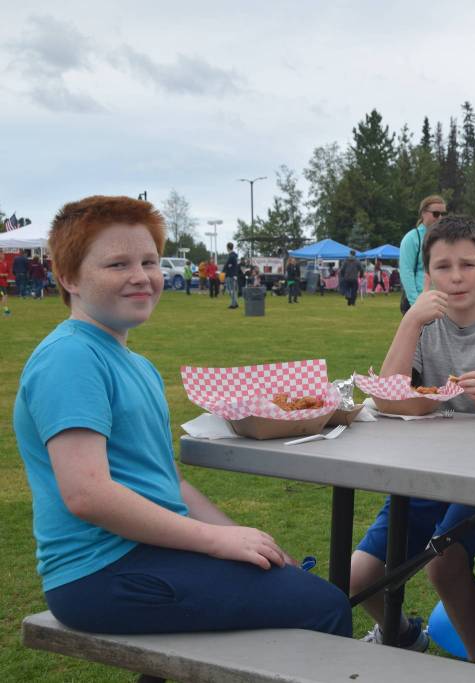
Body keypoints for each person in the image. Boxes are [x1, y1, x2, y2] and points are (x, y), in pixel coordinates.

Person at [13, 195, 351, 638]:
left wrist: (241, 538)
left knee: (300, 590)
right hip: (99, 574)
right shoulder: (72, 358)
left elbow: (169, 481)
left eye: (149, 262)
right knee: (322, 608)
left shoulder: (136, 365)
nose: (140, 277)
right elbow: (87, 495)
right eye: (117, 265)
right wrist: (216, 541)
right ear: (68, 277)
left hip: (149, 551)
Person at [351, 215, 475, 664]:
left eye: (468, 265)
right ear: (427, 273)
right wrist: (409, 322)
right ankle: (401, 634)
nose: (456, 277)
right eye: (443, 266)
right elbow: (388, 395)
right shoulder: (424, 326)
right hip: (424, 478)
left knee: (445, 563)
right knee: (357, 578)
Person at [399, 195, 446, 314]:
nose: (440, 217)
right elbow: (406, 272)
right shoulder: (412, 239)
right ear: (424, 213)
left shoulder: (444, 238)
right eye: (436, 214)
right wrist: (416, 304)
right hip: (419, 301)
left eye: (442, 214)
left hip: (442, 301)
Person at [224, 243, 240, 309]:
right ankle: (235, 303)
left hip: (230, 275)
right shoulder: (234, 256)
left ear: (228, 247)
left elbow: (228, 265)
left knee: (230, 290)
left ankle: (233, 304)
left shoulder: (231, 256)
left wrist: (226, 269)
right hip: (233, 275)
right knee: (233, 290)